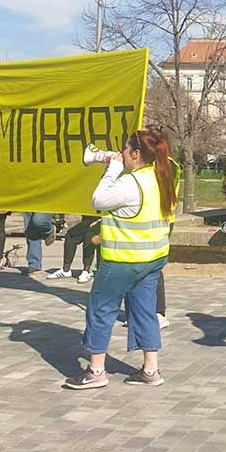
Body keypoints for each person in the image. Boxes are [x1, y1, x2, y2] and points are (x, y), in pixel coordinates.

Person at [65, 126, 177, 390]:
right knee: (145, 312)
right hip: (152, 260)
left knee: (101, 310)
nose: (121, 154)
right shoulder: (161, 176)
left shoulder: (130, 182)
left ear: (136, 154)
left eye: (125, 150)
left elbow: (98, 200)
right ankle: (151, 369)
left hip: (122, 260)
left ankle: (96, 371)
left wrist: (112, 170)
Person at [48, 215, 100, 282]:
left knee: (89, 236)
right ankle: (65, 270)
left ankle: (86, 271)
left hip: (105, 221)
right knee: (71, 235)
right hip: (90, 218)